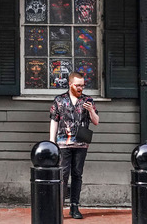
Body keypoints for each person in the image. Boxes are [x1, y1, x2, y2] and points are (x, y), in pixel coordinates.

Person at [49, 71, 99, 219]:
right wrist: (52, 142)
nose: (80, 88)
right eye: (77, 85)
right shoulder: (59, 100)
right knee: (63, 175)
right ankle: (59, 207)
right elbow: (54, 120)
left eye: (82, 86)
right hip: (63, 143)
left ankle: (74, 207)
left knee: (77, 175)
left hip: (81, 144)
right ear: (70, 84)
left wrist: (90, 110)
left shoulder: (88, 100)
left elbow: (96, 121)